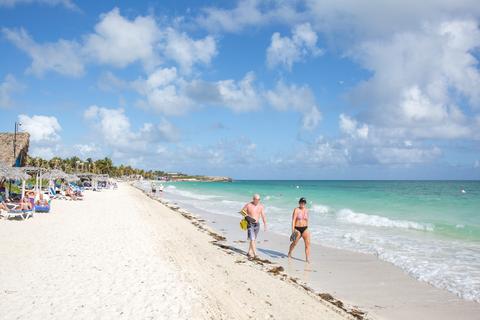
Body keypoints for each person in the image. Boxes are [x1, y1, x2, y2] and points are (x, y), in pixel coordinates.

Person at [241, 194, 267, 258]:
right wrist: (247, 217)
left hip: (257, 224)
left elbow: (263, 215)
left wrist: (265, 224)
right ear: (253, 199)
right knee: (252, 239)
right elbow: (242, 211)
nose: (258, 201)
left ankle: (249, 252)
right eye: (256, 199)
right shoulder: (248, 205)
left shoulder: (261, 206)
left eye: (259, 199)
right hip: (250, 224)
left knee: (253, 239)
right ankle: (255, 254)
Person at [288, 197, 311, 263]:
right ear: (299, 203)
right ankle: (289, 252)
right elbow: (293, 220)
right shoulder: (296, 210)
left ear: (305, 203)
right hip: (297, 229)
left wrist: (307, 228)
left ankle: (307, 258)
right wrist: (293, 231)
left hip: (305, 228)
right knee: (294, 243)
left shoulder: (307, 210)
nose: (302, 204)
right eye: (301, 202)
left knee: (308, 244)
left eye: (304, 203)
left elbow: (307, 220)